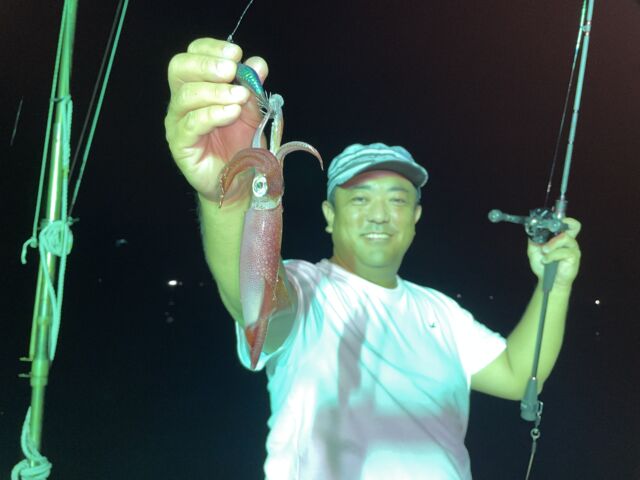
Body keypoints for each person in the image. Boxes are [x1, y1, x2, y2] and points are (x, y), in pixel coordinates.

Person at [164, 37, 582, 480]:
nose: (380, 215)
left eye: (397, 200)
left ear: (416, 218)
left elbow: (518, 375)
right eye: (360, 198)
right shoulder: (307, 294)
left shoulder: (441, 312)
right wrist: (230, 198)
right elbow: (252, 297)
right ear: (329, 216)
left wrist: (555, 284)